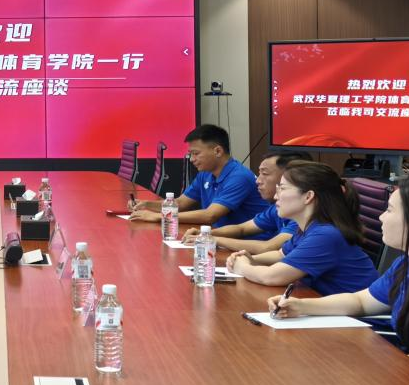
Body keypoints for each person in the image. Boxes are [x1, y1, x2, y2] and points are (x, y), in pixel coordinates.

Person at [269, 176, 409, 378]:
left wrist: (372, 366)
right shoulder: (408, 264)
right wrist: (300, 306)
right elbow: (361, 301)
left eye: (389, 210)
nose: (380, 217)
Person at [227, 161, 378, 295]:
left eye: (282, 189)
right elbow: (281, 255)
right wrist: (251, 259)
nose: (276, 196)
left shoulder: (326, 235)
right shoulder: (309, 228)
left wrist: (242, 267)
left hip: (357, 317)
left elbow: (271, 277)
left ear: (308, 196)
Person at [129, 124, 266, 228]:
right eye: (190, 154)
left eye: (196, 153)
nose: (192, 159)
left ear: (218, 151)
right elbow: (180, 203)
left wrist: (160, 216)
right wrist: (146, 204)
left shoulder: (239, 177)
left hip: (247, 245)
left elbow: (210, 215)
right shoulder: (205, 174)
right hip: (220, 238)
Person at [181, 151, 311, 252]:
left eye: (265, 174)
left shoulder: (304, 217)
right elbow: (241, 228)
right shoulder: (276, 209)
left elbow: (269, 247)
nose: (258, 181)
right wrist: (205, 234)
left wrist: (213, 239)